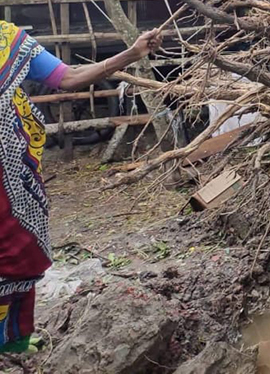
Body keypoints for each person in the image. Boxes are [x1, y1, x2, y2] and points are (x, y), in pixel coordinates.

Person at [0, 22, 162, 354]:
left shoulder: (9, 40)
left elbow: (68, 76)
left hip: (13, 173)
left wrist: (133, 52)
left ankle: (12, 336)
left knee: (19, 249)